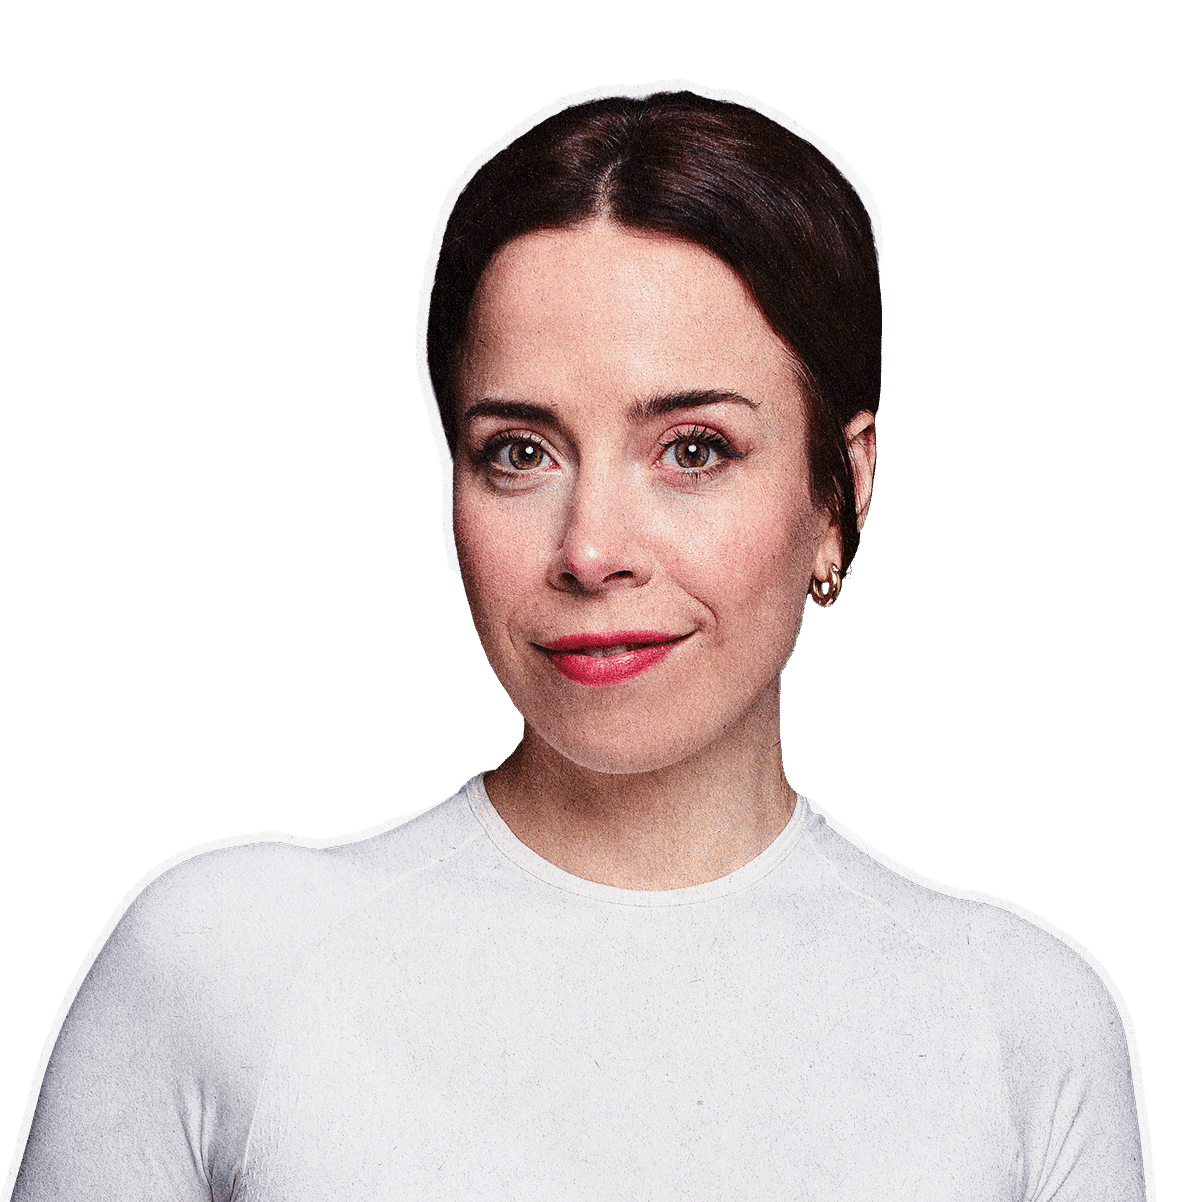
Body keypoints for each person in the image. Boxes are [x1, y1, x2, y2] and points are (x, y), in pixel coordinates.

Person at [8, 82, 1150, 1201]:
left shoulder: (1020, 1023)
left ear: (838, 492)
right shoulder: (222, 967)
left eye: (693, 449)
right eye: (519, 452)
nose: (591, 549)